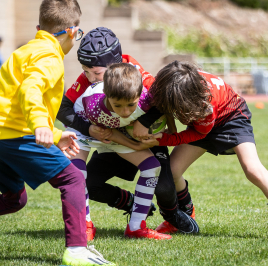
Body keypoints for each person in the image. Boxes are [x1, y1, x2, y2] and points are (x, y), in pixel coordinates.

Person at [0, 0, 114, 265]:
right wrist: (40, 125)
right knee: (72, 179)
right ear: (72, 32)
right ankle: (77, 251)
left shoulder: (24, 51)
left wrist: (57, 133)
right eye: (79, 32)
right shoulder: (49, 56)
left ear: (39, 29)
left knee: (14, 199)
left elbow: (14, 99)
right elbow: (30, 89)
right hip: (13, 134)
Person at [138, 61, 268, 241]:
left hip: (231, 119)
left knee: (252, 169)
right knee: (172, 171)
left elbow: (198, 133)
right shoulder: (164, 83)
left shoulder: (204, 104)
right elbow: (138, 69)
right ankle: (184, 216)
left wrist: (163, 139)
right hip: (201, 122)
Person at [57, 27, 199, 241]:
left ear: (115, 66)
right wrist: (89, 129)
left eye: (96, 73)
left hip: (144, 139)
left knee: (164, 188)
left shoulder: (135, 74)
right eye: (86, 72)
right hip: (112, 138)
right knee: (86, 182)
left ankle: (175, 214)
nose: (90, 78)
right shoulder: (91, 82)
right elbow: (63, 108)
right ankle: (127, 203)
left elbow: (161, 100)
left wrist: (143, 123)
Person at [68, 62, 179, 240]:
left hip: (112, 128)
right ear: (107, 96)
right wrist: (135, 145)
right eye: (118, 105)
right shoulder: (95, 108)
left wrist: (171, 130)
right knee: (77, 171)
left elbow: (165, 107)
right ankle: (83, 226)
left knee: (152, 166)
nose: (125, 111)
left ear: (139, 96)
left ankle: (136, 227)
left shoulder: (147, 99)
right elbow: (109, 134)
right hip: (87, 125)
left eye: (130, 105)